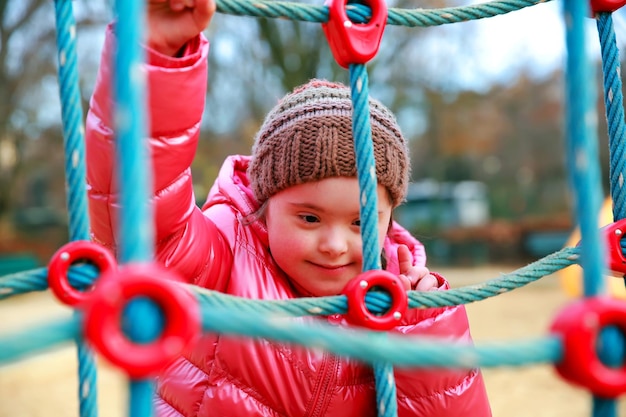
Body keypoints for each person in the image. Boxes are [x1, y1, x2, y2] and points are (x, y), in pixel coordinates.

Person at [85, 0, 492, 415]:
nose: (334, 244)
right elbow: (140, 209)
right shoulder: (223, 256)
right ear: (264, 204)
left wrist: (425, 327)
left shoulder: (397, 298)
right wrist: (156, 56)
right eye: (310, 218)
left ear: (389, 220)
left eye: (359, 222)